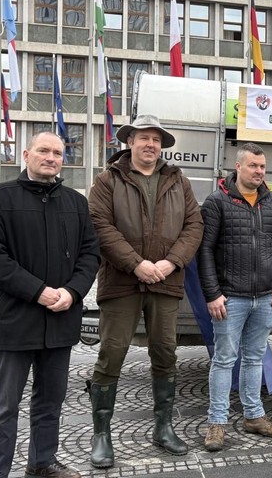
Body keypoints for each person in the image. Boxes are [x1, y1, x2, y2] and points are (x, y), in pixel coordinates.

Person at [0, 131, 100, 478]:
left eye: (58, 153)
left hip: (60, 322)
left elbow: (91, 254)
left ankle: (42, 463)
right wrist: (39, 292)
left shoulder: (76, 202)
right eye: (44, 150)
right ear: (26, 154)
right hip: (14, 323)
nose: (51, 157)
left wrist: (72, 292)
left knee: (50, 403)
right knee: (3, 407)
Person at [86, 114, 204, 467]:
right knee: (112, 354)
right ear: (130, 142)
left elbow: (194, 225)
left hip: (166, 282)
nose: (150, 144)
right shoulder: (108, 180)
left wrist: (171, 262)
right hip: (121, 281)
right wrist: (136, 263)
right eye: (143, 138)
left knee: (166, 354)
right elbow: (100, 226)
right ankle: (101, 434)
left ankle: (163, 427)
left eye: (156, 139)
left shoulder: (177, 180)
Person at [198, 142, 272, 451]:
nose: (259, 171)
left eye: (263, 166)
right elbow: (205, 251)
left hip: (265, 297)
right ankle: (217, 423)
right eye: (253, 166)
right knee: (224, 360)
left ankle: (253, 416)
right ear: (238, 166)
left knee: (253, 358)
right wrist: (212, 294)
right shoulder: (216, 202)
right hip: (231, 298)